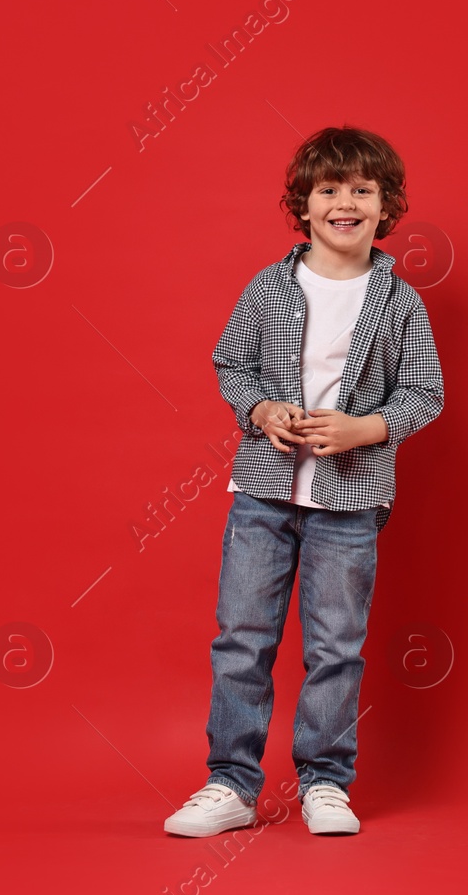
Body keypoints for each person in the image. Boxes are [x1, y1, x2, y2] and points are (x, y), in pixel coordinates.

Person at [163, 125, 444, 838]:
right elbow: (233, 364)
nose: (344, 202)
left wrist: (366, 428)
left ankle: (325, 781)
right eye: (329, 190)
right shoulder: (269, 287)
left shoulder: (399, 302)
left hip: (350, 502)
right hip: (263, 491)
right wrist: (260, 408)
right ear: (304, 204)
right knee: (242, 639)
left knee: (336, 645)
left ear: (386, 207)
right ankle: (230, 781)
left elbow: (423, 393)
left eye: (361, 190)